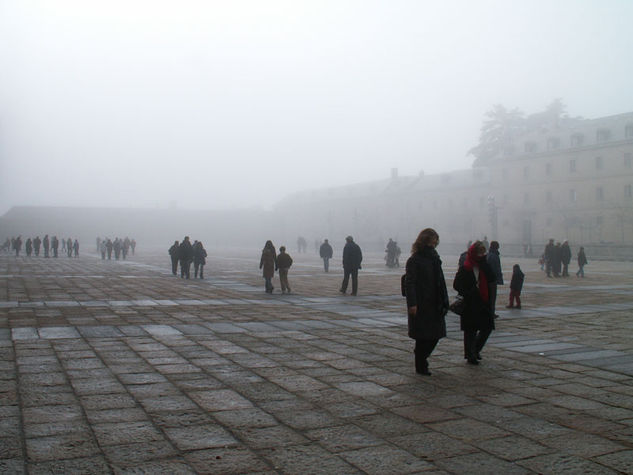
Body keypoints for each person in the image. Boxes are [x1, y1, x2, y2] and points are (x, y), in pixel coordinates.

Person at [404, 228, 449, 376]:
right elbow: (409, 283)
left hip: (435, 300)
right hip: (422, 301)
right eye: (432, 240)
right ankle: (421, 363)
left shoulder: (434, 258)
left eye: (436, 240)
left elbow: (440, 280)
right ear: (425, 241)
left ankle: (421, 357)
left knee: (435, 334)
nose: (434, 243)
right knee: (424, 335)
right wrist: (413, 303)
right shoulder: (415, 260)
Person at [453, 241, 496, 365]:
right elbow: (457, 284)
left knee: (487, 328)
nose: (482, 255)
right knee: (470, 330)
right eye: (479, 252)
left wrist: (484, 265)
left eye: (483, 252)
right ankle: (470, 354)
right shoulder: (466, 267)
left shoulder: (484, 265)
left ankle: (476, 349)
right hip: (471, 303)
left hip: (484, 301)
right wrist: (469, 292)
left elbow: (492, 278)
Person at [486, 240, 503, 317]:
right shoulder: (493, 256)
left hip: (489, 279)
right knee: (492, 297)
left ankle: (489, 312)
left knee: (489, 297)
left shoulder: (489, 255)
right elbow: (494, 269)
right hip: (492, 280)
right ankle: (491, 312)